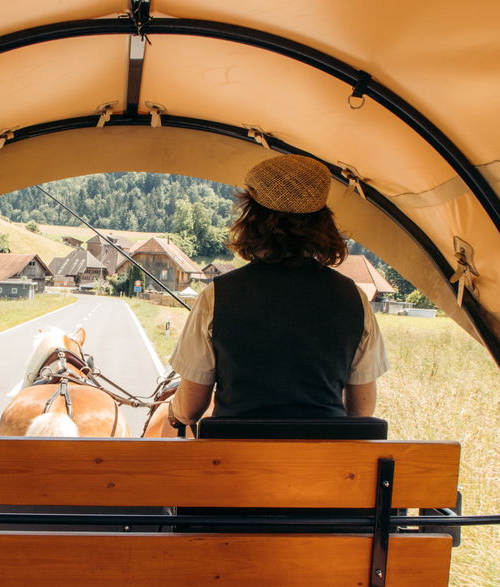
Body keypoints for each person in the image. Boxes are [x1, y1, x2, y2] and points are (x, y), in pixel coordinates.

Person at [167, 154, 389, 428]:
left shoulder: (217, 297)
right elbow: (362, 411)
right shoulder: (354, 299)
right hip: (320, 465)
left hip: (234, 464)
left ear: (253, 221)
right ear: (322, 223)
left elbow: (190, 410)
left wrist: (172, 411)